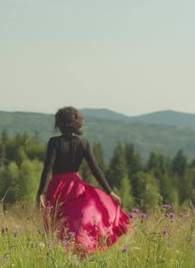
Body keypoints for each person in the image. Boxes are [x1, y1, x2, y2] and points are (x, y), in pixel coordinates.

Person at [37, 106, 131, 254]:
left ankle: (62, 254)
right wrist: (110, 192)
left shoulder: (54, 142)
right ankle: (81, 251)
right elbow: (95, 170)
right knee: (77, 221)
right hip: (76, 186)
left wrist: (40, 193)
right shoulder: (83, 143)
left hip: (57, 187)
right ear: (77, 123)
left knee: (56, 224)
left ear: (59, 124)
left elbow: (48, 168)